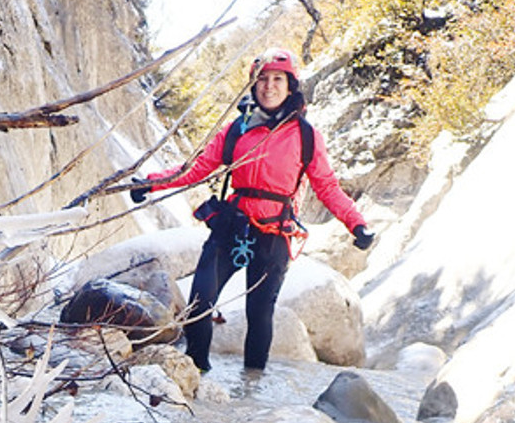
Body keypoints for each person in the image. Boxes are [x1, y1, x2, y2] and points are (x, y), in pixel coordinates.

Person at [130, 47, 373, 373]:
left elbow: (327, 187)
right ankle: (195, 374)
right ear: (253, 85)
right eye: (262, 79)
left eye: (277, 79)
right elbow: (196, 169)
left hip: (275, 234)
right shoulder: (237, 129)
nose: (269, 86)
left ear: (290, 85)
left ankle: (251, 386)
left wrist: (357, 224)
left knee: (259, 313)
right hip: (232, 226)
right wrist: (150, 184)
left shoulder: (306, 136)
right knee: (200, 302)